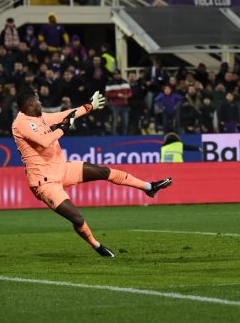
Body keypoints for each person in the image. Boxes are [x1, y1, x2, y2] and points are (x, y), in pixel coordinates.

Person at [12, 88, 172, 257]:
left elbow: (67, 114)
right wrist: (62, 129)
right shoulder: (20, 123)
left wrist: (90, 106)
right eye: (38, 100)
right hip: (44, 183)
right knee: (77, 219)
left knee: (102, 171)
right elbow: (44, 141)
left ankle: (148, 187)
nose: (41, 103)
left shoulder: (40, 117)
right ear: (30, 103)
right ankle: (96, 245)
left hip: (62, 169)